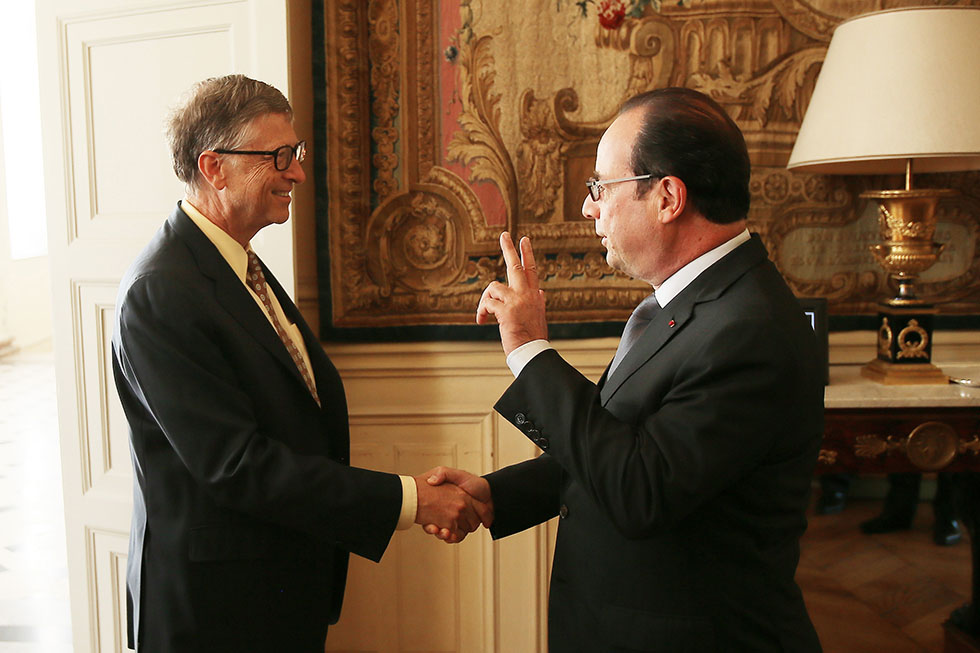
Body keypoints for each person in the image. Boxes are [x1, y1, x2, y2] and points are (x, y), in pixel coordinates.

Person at [426, 88, 825, 651]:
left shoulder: (749, 327)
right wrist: (497, 495)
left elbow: (641, 491)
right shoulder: (685, 302)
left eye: (600, 188)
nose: (589, 207)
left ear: (668, 197)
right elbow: (623, 443)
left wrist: (528, 349)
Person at [111, 75, 490, 652]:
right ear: (214, 167)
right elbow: (239, 466)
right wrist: (411, 500)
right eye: (279, 157)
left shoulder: (239, 267)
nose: (297, 173)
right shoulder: (161, 291)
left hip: (275, 591)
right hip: (215, 613)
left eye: (297, 154)